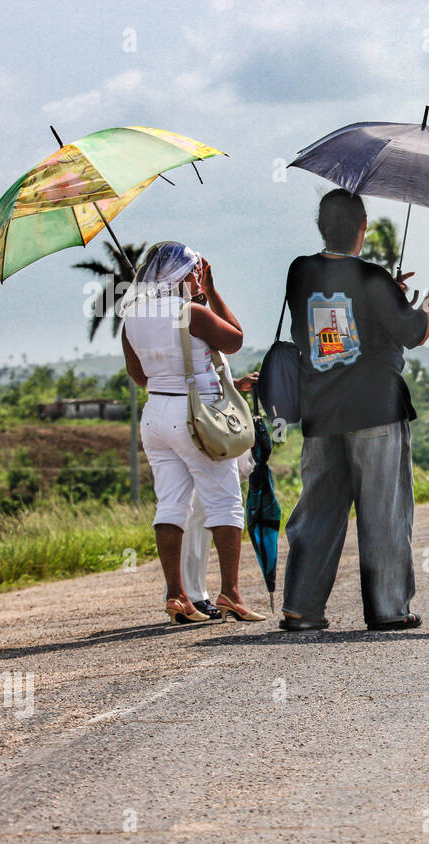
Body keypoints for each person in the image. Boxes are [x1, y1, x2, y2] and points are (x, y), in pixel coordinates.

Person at [279, 189, 429, 632]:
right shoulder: (374, 278)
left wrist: (383, 294)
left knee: (317, 510)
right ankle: (388, 608)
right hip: (375, 408)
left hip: (320, 411)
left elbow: (339, 309)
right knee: (384, 512)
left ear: (321, 227)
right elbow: (415, 331)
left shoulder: (298, 271)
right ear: (364, 229)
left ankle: (301, 607)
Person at [120, 241, 264, 625]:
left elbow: (139, 376)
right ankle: (231, 593)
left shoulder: (131, 317)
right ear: (184, 274)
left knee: (170, 505)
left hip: (155, 417)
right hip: (196, 416)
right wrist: (211, 291)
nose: (199, 275)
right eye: (195, 270)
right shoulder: (192, 312)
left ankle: (177, 595)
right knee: (224, 503)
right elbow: (234, 339)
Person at [172, 366, 259, 618]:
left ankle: (188, 594)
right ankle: (191, 595)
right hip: (198, 421)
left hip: (193, 417)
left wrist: (231, 383)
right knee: (198, 511)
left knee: (196, 511)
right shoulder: (192, 327)